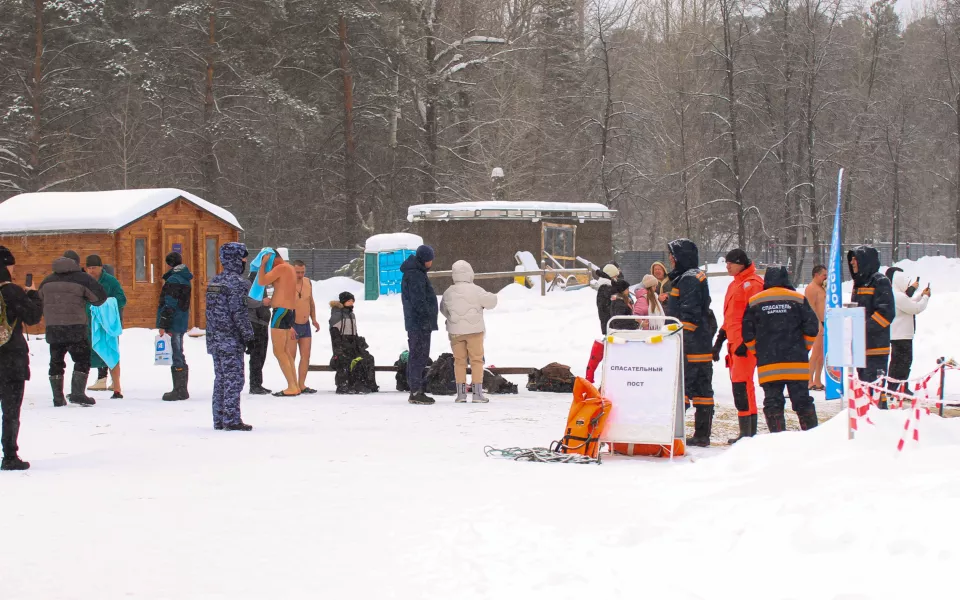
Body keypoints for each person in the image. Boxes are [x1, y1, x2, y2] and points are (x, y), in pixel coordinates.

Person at [742, 266, 821, 432]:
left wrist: (759, 352)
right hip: (796, 363)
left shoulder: (755, 302)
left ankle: (777, 438)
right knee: (802, 402)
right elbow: (813, 327)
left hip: (769, 365)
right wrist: (803, 347)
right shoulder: (798, 299)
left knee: (773, 404)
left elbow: (747, 333)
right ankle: (812, 436)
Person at [39, 250, 107, 407]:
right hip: (75, 327)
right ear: (77, 263)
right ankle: (77, 393)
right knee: (82, 359)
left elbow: (38, 299)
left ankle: (57, 397)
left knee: (56, 361)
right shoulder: (82, 279)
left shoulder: (47, 281)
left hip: (53, 327)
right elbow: (99, 299)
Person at [664, 238, 715, 447]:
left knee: (683, 388)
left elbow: (689, 315)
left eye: (672, 255)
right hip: (700, 343)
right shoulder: (691, 276)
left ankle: (673, 431)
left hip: (690, 345)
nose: (670, 259)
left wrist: (679, 341)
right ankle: (702, 434)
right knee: (703, 391)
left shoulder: (688, 279)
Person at [711, 249, 765, 444]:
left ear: (741, 263)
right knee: (742, 386)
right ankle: (747, 433)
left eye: (731, 263)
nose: (727, 266)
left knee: (742, 386)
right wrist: (719, 341)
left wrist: (747, 342)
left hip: (745, 345)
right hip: (734, 344)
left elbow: (757, 317)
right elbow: (731, 318)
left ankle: (748, 434)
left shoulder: (753, 284)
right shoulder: (735, 284)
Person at [0, 246, 44, 470]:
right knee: (10, 411)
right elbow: (33, 317)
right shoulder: (12, 292)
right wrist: (33, 295)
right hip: (11, 360)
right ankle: (9, 456)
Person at [206, 243, 256, 431]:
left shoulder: (214, 282)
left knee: (220, 378)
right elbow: (239, 313)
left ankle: (219, 418)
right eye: (243, 257)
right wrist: (249, 337)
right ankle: (232, 419)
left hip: (215, 338)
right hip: (230, 339)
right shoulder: (237, 283)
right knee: (234, 379)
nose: (245, 261)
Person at [439, 260, 498, 403]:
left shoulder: (448, 292)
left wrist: (453, 318)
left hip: (455, 333)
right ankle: (477, 394)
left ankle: (461, 394)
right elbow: (492, 302)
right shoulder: (477, 290)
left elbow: (442, 309)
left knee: (459, 362)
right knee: (476, 361)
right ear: (470, 273)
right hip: (475, 331)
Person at [848, 246, 895, 405]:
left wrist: (862, 328)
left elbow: (886, 313)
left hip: (876, 349)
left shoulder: (880, 281)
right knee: (863, 394)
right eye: (851, 259)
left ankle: (880, 425)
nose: (852, 262)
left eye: (855, 259)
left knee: (875, 394)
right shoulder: (858, 283)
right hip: (860, 349)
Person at [257, 251, 300, 397]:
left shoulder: (281, 267)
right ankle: (294, 385)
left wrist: (263, 264)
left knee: (279, 351)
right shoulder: (289, 268)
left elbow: (261, 281)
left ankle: (292, 386)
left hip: (280, 312)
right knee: (286, 351)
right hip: (287, 311)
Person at [401, 245, 439, 405]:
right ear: (426, 260)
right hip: (419, 324)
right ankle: (416, 391)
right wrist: (426, 318)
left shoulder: (415, 273)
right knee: (419, 356)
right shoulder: (416, 275)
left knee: (418, 355)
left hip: (417, 323)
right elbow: (419, 301)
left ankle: (416, 388)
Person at [85, 255, 127, 398]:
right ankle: (93, 383)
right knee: (87, 354)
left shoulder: (110, 281)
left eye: (94, 268)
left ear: (101, 267)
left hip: (108, 324)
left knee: (112, 353)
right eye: (89, 268)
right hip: (90, 323)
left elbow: (121, 299)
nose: (91, 271)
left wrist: (104, 305)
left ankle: (116, 386)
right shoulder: (84, 281)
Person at [885, 266, 930, 393]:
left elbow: (909, 303)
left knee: (900, 363)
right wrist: (926, 298)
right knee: (901, 363)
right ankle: (896, 387)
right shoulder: (898, 296)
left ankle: (898, 386)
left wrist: (921, 295)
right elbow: (915, 308)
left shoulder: (896, 295)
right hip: (901, 336)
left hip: (900, 335)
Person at [289, 260, 320, 394]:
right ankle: (292, 384)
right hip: (292, 323)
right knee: (291, 356)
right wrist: (288, 325)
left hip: (305, 323)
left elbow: (310, 302)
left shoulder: (308, 282)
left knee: (305, 356)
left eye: (302, 272)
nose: (300, 275)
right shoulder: (287, 283)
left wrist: (314, 319)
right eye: (297, 272)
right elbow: (282, 305)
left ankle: (302, 384)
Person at [245, 271, 272, 395]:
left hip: (262, 323)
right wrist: (262, 303)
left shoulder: (261, 285)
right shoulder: (250, 285)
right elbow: (247, 301)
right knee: (256, 355)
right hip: (255, 323)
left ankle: (258, 383)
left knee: (262, 355)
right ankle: (254, 385)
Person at [804, 265, 828, 391]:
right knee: (815, 353)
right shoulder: (811, 288)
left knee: (822, 354)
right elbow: (811, 308)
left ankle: (818, 380)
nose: (826, 277)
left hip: (825, 322)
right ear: (816, 275)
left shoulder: (822, 288)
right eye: (824, 275)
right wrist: (818, 324)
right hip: (818, 323)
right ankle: (809, 380)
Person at [595, 263, 622, 335]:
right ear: (611, 276)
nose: (616, 279)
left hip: (608, 324)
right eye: (615, 276)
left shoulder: (606, 287)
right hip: (610, 324)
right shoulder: (607, 288)